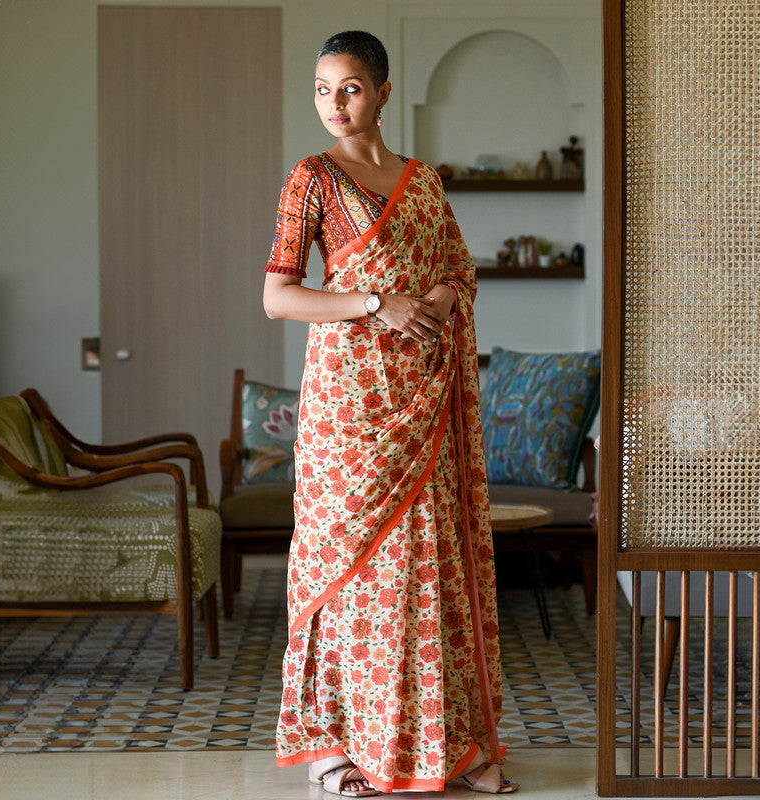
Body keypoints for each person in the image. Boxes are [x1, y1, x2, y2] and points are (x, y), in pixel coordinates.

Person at [263, 30, 517, 797]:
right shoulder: (312, 179)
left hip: (423, 396)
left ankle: (443, 747)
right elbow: (278, 296)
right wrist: (378, 302)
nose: (333, 104)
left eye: (347, 88)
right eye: (320, 90)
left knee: (424, 566)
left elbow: (457, 269)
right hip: (350, 407)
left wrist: (439, 297)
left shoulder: (424, 182)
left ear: (378, 91)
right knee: (348, 571)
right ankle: (337, 751)